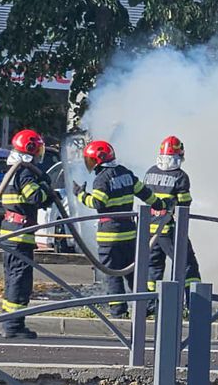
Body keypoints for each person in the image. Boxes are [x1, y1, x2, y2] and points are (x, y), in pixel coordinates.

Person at [74, 140, 161, 318]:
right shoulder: (126, 173)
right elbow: (145, 193)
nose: (90, 164)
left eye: (91, 160)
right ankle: (145, 305)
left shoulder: (102, 179)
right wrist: (161, 204)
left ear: (99, 159)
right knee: (132, 272)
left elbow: (97, 202)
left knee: (112, 273)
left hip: (109, 235)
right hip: (129, 232)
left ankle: (118, 310)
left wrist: (81, 195)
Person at [0, 129, 52, 339]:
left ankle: (10, 320)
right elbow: (35, 196)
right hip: (20, 235)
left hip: (11, 232)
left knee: (13, 278)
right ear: (30, 149)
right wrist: (46, 186)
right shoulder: (25, 172)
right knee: (20, 280)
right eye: (37, 148)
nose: (40, 153)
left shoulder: (13, 170)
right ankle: (13, 325)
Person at [142, 136, 202, 311]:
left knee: (153, 268)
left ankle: (150, 306)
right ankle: (194, 306)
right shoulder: (180, 176)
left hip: (150, 230)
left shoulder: (150, 172)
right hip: (168, 230)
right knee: (187, 265)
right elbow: (184, 204)